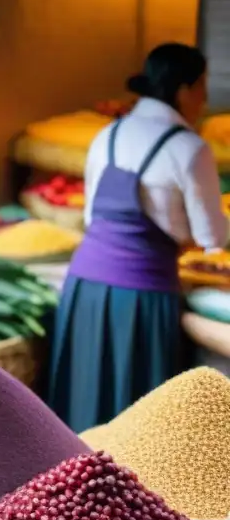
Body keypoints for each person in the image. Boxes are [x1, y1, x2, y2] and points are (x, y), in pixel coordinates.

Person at [49, 43, 228, 431]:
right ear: (183, 90)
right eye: (202, 87)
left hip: (85, 287)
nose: (205, 98)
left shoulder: (107, 135)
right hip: (141, 295)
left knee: (85, 405)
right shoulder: (190, 148)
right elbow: (211, 235)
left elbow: (92, 213)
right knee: (137, 421)